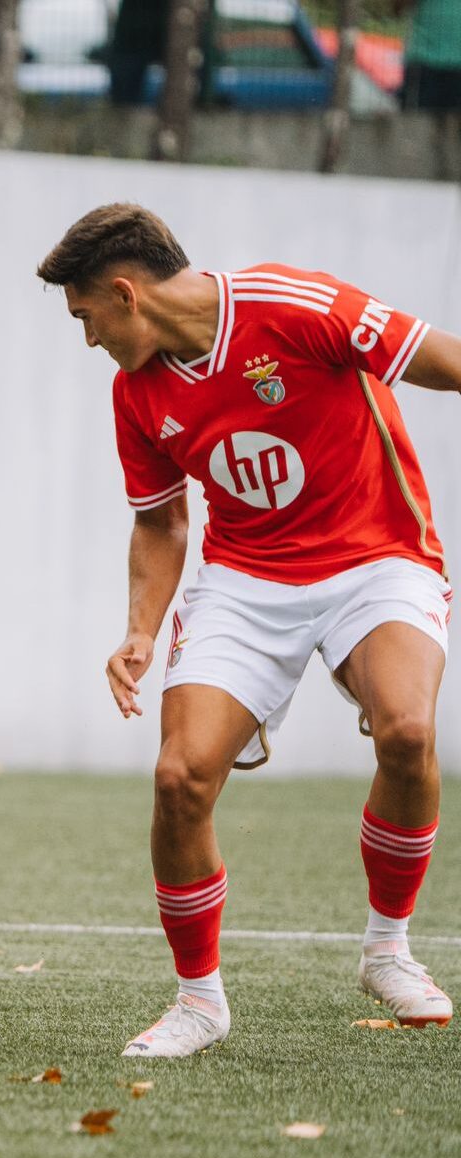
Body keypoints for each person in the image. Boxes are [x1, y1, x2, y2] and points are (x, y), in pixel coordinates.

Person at [38, 203, 459, 1057]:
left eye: (85, 318)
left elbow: (440, 360)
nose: (87, 341)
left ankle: (388, 949)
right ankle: (200, 1003)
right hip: (245, 580)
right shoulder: (136, 393)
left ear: (125, 294)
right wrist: (140, 631)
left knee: (409, 731)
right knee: (179, 777)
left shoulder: (294, 305)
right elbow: (161, 524)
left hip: (377, 557)